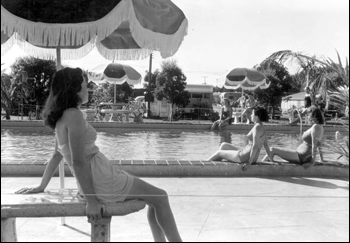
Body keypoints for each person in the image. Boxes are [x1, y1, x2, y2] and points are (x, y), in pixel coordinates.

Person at [15, 67, 182, 242]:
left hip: (97, 178)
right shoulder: (74, 115)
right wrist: (92, 201)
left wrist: (41, 185)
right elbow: (78, 162)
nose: (88, 89)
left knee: (155, 199)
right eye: (85, 85)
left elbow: (57, 155)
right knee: (160, 197)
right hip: (99, 181)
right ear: (75, 89)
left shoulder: (62, 116)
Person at [207, 106, 273, 170]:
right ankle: (219, 167)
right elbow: (266, 146)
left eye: (252, 113)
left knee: (219, 153)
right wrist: (272, 160)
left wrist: (249, 163)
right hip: (249, 155)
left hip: (244, 157)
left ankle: (204, 164)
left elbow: (255, 146)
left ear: (257, 116)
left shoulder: (257, 128)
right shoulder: (262, 127)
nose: (251, 115)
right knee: (224, 145)